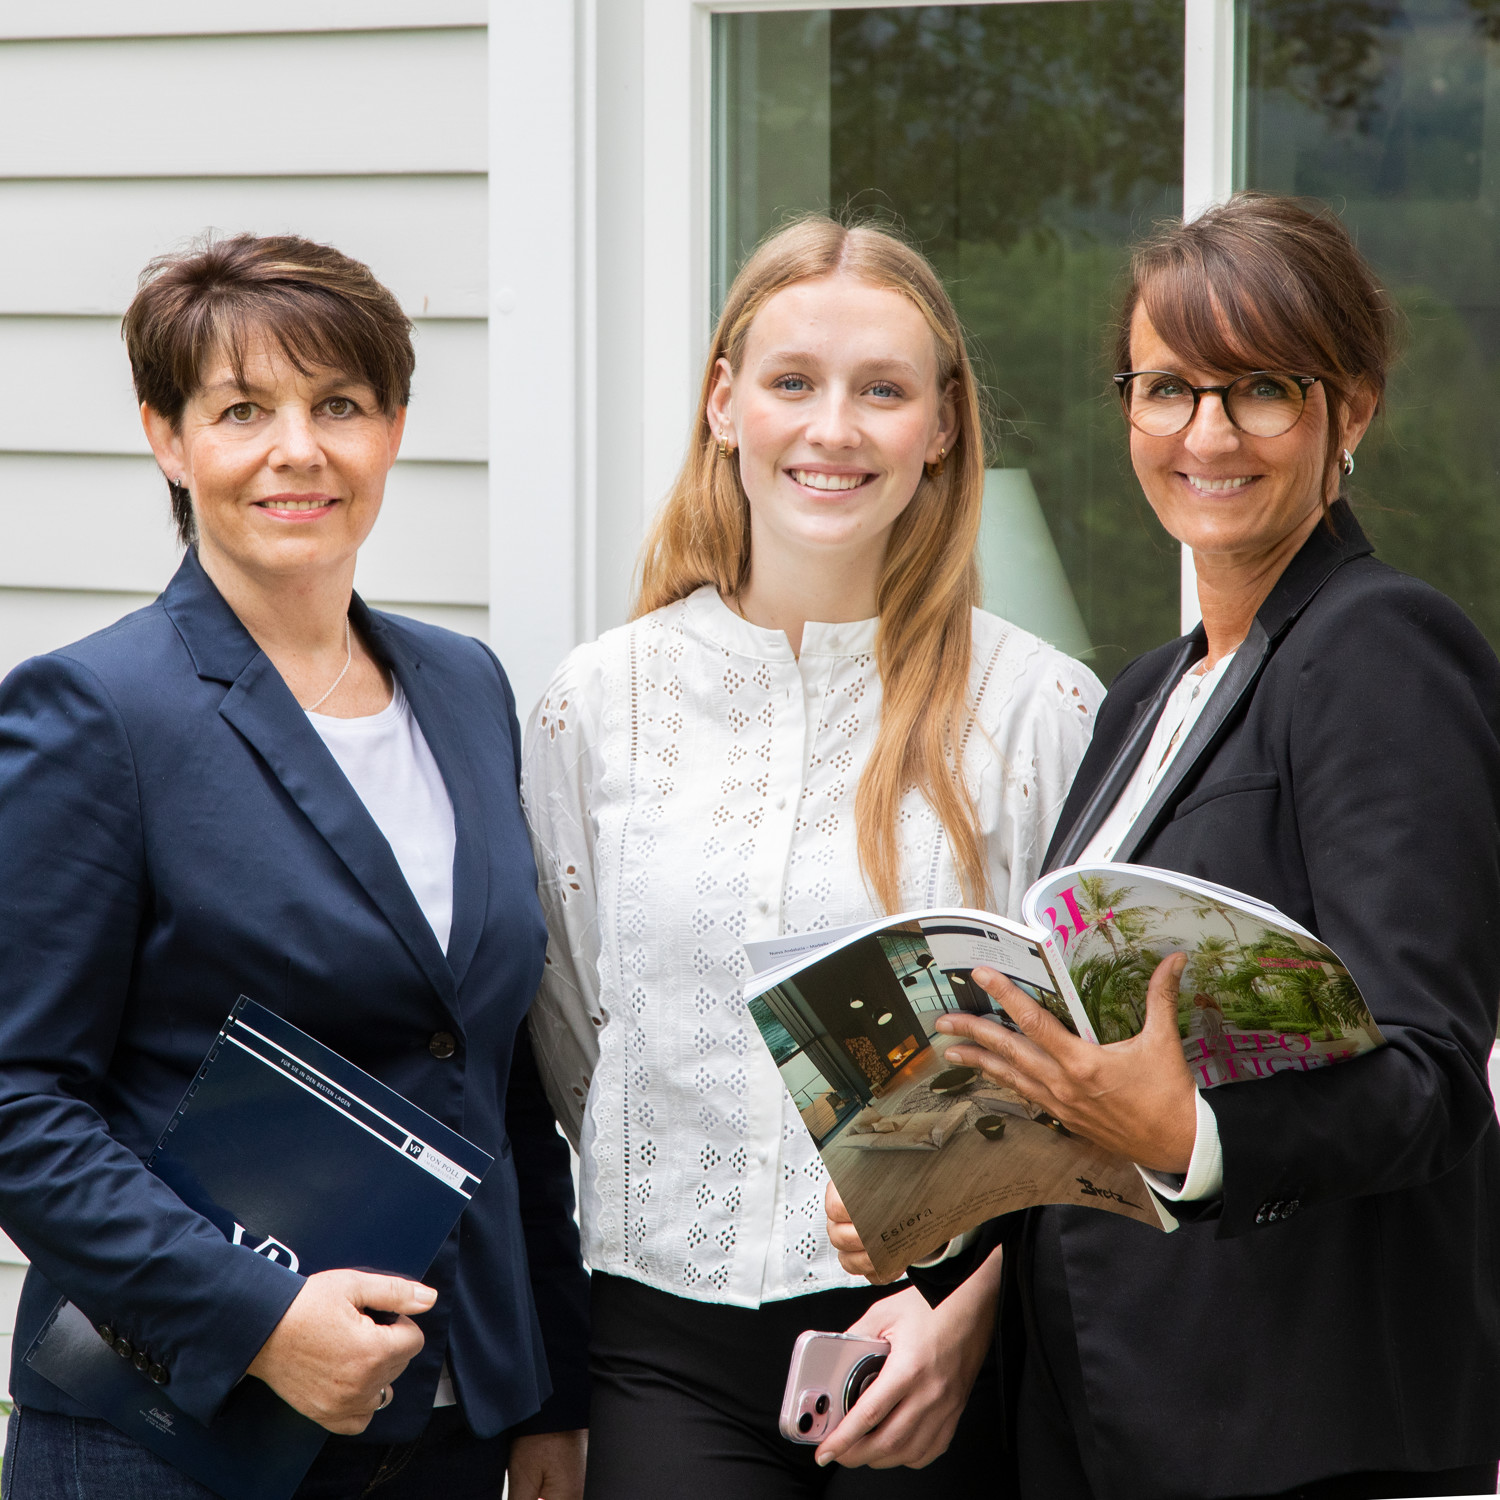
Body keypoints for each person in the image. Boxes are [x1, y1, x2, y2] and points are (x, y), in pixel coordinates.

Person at [828, 192, 1500, 1500]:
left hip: (1294, 1425)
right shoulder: (1151, 690)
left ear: (1349, 408)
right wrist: (937, 1192)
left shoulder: (1380, 651)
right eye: (1166, 388)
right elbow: (1093, 1064)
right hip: (1109, 1406)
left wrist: (1192, 1128)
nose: (1207, 433)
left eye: (1261, 388)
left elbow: (1428, 1079)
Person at [522, 215, 1104, 1498]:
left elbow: (1091, 1084)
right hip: (660, 1331)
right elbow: (572, 1029)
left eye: (882, 391)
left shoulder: (1040, 710)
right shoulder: (596, 704)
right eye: (793, 382)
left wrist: (974, 1306)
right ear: (726, 404)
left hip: (951, 1334)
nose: (832, 429)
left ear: (941, 427)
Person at [0, 235, 589, 1499]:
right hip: (172, 1432)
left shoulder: (465, 687)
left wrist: (548, 1391)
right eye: (242, 411)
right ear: (168, 439)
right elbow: (19, 1106)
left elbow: (495, 1069)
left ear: (393, 428)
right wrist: (260, 1318)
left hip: (446, 1425)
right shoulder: (96, 713)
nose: (298, 450)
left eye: (340, 406)